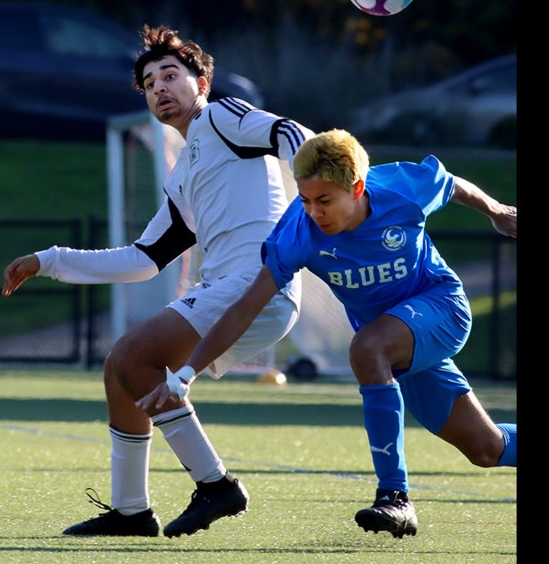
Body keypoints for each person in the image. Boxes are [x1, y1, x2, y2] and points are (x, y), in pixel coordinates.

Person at [1, 24, 315, 538]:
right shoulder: (180, 175)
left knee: (132, 356)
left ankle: (216, 484)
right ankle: (131, 511)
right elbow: (145, 258)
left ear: (202, 84)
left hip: (257, 285)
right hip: (235, 292)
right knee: (119, 370)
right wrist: (51, 260)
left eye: (171, 75)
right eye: (149, 84)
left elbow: (285, 132)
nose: (160, 88)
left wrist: (314, 179)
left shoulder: (222, 116)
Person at [137, 128, 517, 539]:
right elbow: (246, 307)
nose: (314, 212)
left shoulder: (402, 188)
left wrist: (496, 210)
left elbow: (451, 183)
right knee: (486, 447)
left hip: (442, 308)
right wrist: (187, 372)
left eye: (324, 201)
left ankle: (395, 497)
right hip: (395, 342)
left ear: (357, 188)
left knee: (367, 349)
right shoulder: (296, 233)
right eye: (305, 199)